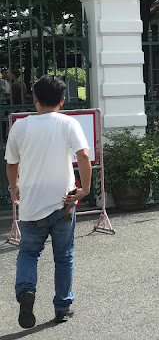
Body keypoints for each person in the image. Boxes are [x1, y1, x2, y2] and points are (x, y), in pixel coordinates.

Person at [6, 75, 91, 329]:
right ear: (62, 101)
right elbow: (84, 155)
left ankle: (26, 293)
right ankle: (62, 306)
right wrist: (84, 189)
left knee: (29, 253)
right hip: (63, 201)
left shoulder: (20, 126)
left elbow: (11, 164)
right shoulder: (68, 123)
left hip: (31, 203)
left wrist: (13, 188)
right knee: (64, 256)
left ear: (34, 99)